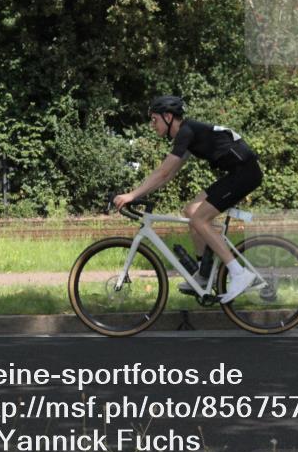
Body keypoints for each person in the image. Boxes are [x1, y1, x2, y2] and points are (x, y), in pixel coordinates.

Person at [112, 95, 263, 303]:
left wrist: (132, 194)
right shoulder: (188, 135)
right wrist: (140, 193)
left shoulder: (186, 131)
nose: (151, 125)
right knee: (191, 211)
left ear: (168, 116)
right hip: (238, 173)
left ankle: (239, 274)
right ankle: (203, 274)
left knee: (199, 220)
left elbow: (163, 172)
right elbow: (167, 174)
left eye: (154, 119)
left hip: (245, 174)